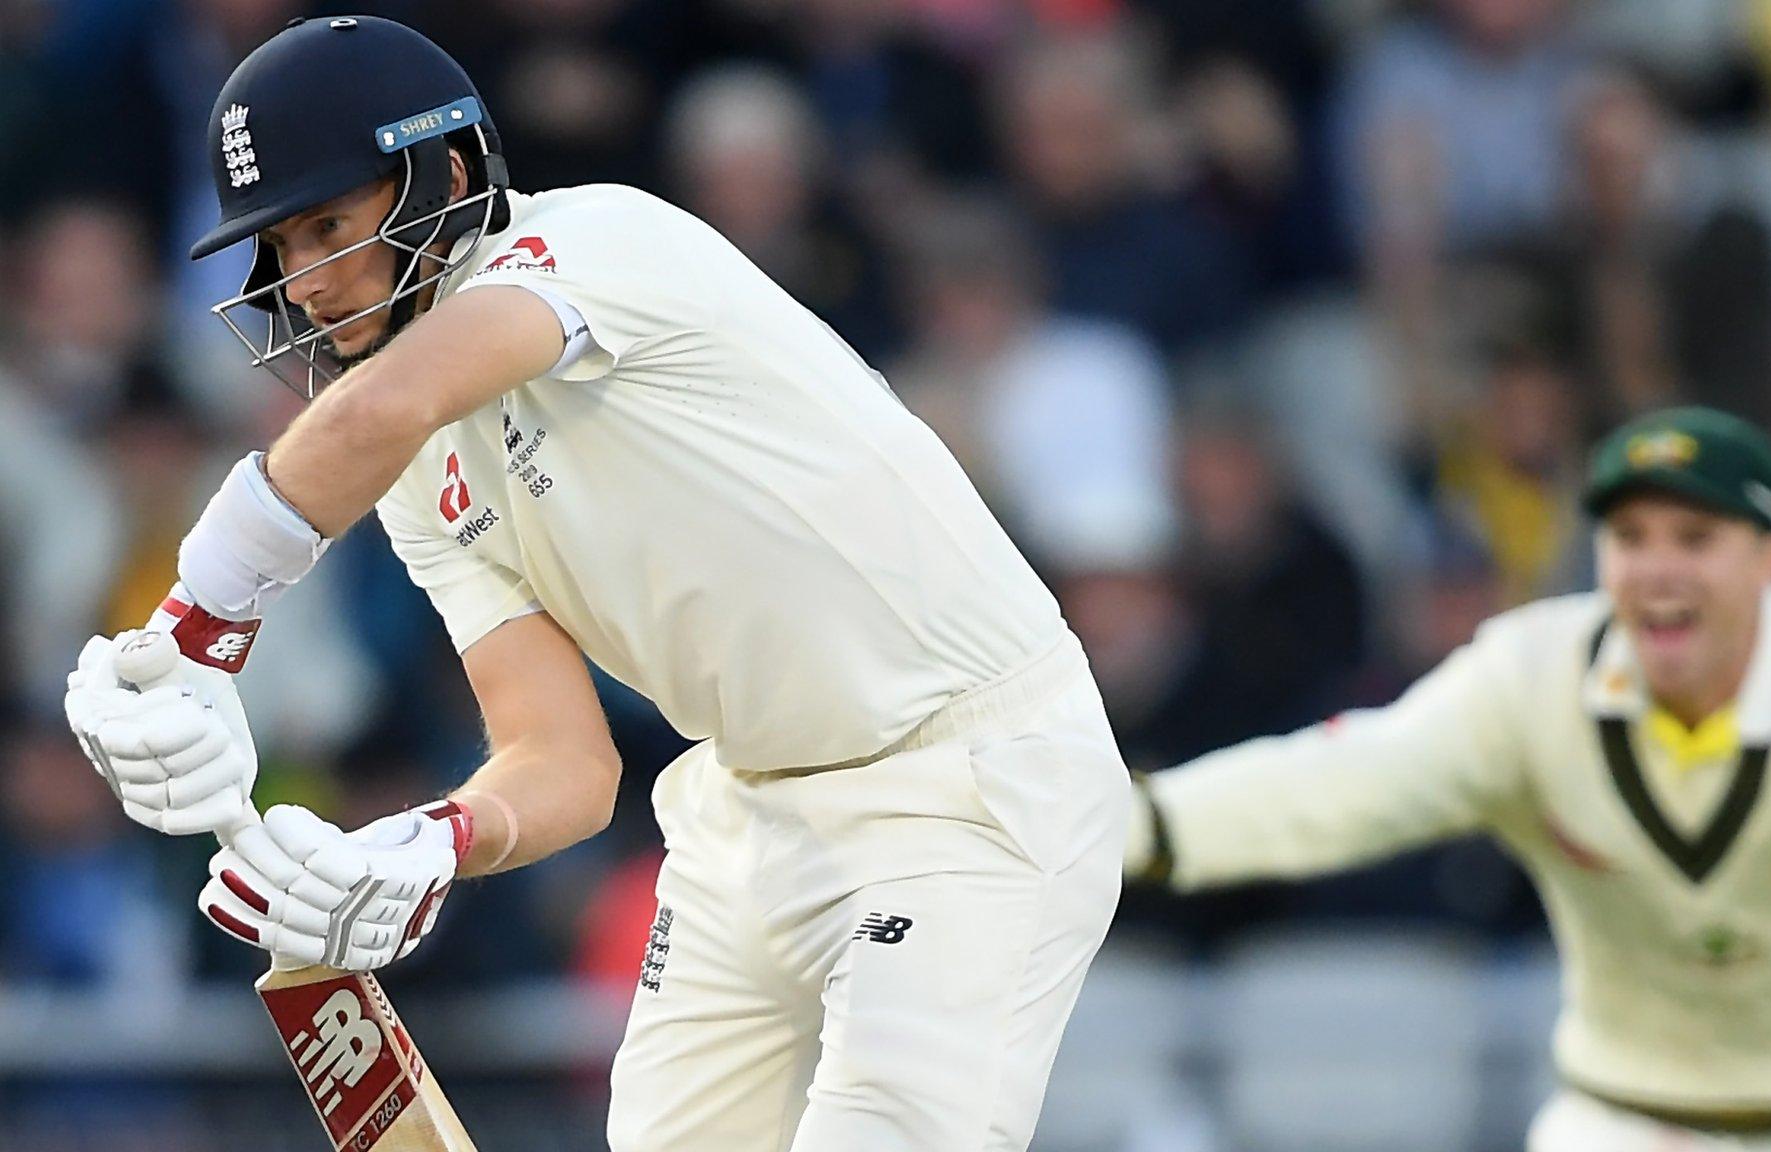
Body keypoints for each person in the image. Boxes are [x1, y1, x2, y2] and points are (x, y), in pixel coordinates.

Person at [59, 16, 1127, 1152]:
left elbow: (375, 409)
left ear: (447, 173)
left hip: (965, 783)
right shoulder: (420, 465)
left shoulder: (604, 242)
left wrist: (197, 627)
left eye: (329, 225)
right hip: (745, 811)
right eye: (279, 246)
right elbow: (565, 762)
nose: (305, 283)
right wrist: (428, 841)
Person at [1126, 406, 1771, 1152]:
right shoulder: (1531, 678)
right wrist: (1134, 824)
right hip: (1639, 1116)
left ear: (1770, 557)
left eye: (1695, 535)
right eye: (1631, 536)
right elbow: (1335, 784)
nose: (1659, 570)